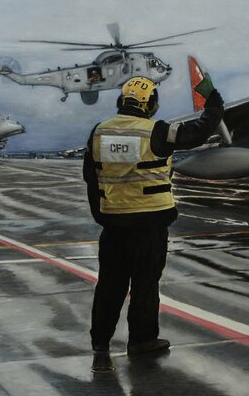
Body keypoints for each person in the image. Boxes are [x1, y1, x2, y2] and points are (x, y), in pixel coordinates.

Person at [83, 76, 224, 358]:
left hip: (113, 223)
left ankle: (100, 339)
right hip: (149, 223)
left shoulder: (99, 132)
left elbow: (90, 176)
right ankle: (142, 340)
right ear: (150, 104)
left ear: (121, 101)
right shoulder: (157, 131)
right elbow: (200, 131)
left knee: (110, 283)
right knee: (145, 284)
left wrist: (101, 215)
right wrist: (213, 101)